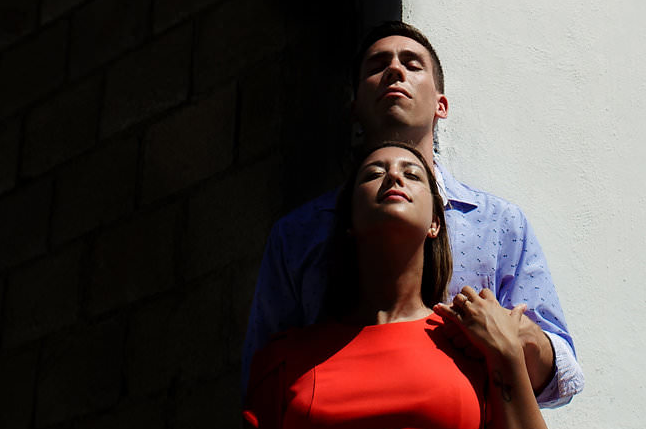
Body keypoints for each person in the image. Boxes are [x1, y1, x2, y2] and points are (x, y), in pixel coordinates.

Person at [240, 22, 583, 408]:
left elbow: (562, 377)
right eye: (377, 65)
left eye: (412, 64)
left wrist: (521, 340)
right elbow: (262, 380)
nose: (395, 70)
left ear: (441, 104)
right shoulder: (297, 235)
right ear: (353, 107)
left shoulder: (500, 225)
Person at [231, 140, 556, 429]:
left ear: (436, 222)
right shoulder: (285, 362)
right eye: (373, 173)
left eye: (412, 173)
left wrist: (507, 356)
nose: (394, 176)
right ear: (348, 220)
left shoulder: (470, 342)